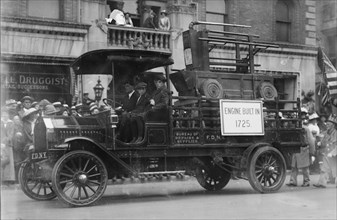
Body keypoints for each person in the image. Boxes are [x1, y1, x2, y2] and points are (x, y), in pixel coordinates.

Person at [286, 107, 315, 187]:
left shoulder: (305, 129)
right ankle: (294, 181)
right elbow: (311, 140)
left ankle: (305, 181)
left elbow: (311, 141)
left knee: (304, 168)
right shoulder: (301, 129)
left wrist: (312, 152)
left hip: (303, 149)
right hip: (297, 149)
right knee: (294, 167)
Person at [313, 114, 337, 188]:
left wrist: (333, 153)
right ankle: (321, 183)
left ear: (333, 125)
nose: (327, 125)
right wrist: (320, 143)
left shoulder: (336, 133)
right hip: (327, 154)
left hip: (334, 154)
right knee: (324, 169)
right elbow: (323, 141)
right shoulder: (326, 132)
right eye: (327, 124)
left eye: (329, 124)